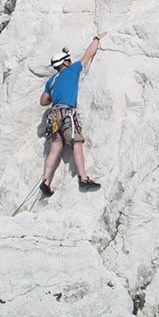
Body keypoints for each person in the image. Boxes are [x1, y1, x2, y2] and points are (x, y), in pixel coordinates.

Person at [39, 32, 107, 196]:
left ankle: (46, 181)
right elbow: (88, 55)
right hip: (67, 113)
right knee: (76, 143)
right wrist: (96, 39)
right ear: (66, 63)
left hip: (53, 116)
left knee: (55, 149)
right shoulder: (72, 70)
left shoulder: (51, 81)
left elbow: (43, 101)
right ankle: (83, 178)